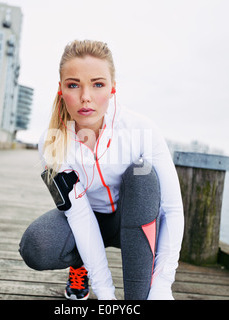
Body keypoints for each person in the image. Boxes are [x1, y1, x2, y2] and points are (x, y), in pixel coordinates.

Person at [19, 40, 184, 300]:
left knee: (142, 175)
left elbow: (172, 210)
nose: (86, 97)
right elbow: (80, 216)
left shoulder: (141, 130)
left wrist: (163, 284)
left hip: (133, 220)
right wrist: (105, 294)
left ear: (112, 88)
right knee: (37, 245)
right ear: (61, 89)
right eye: (74, 85)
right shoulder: (51, 141)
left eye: (98, 84)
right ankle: (80, 265)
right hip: (86, 217)